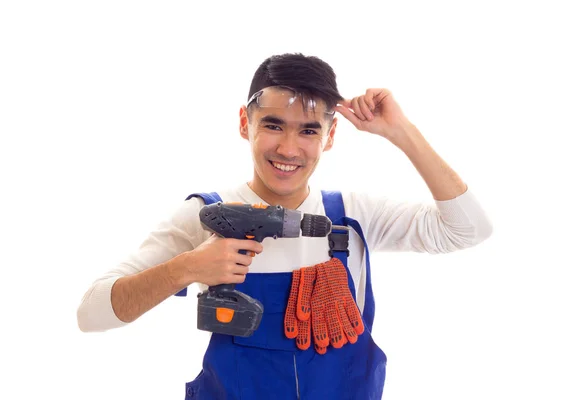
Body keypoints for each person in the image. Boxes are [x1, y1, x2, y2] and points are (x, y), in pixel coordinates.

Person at [77, 53, 493, 399]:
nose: (288, 149)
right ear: (245, 123)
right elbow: (91, 313)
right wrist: (186, 268)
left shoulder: (353, 217)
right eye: (273, 125)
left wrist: (401, 131)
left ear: (330, 137)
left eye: (309, 130)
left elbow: (469, 229)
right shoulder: (207, 217)